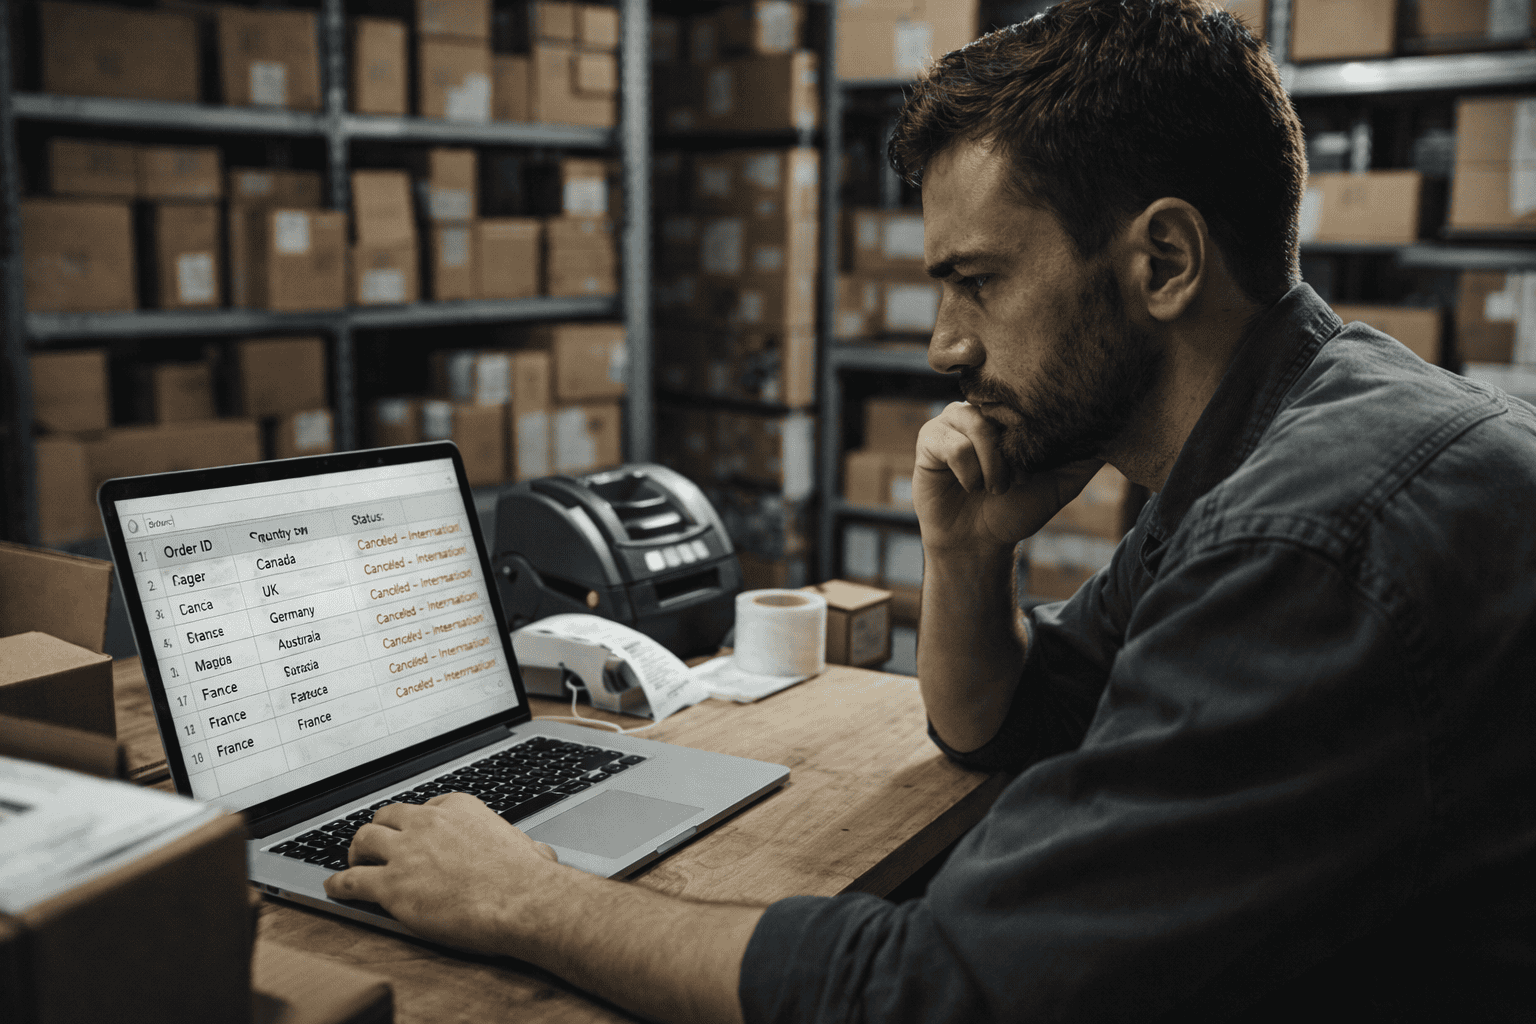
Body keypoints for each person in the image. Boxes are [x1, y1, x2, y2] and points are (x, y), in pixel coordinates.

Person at [325, 0, 1536, 1019]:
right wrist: (967, 554)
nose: (947, 345)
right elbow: (1023, 719)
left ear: (1163, 262)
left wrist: (528, 898)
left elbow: (943, 994)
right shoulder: (1272, 433)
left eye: (979, 280)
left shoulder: (1309, 536)